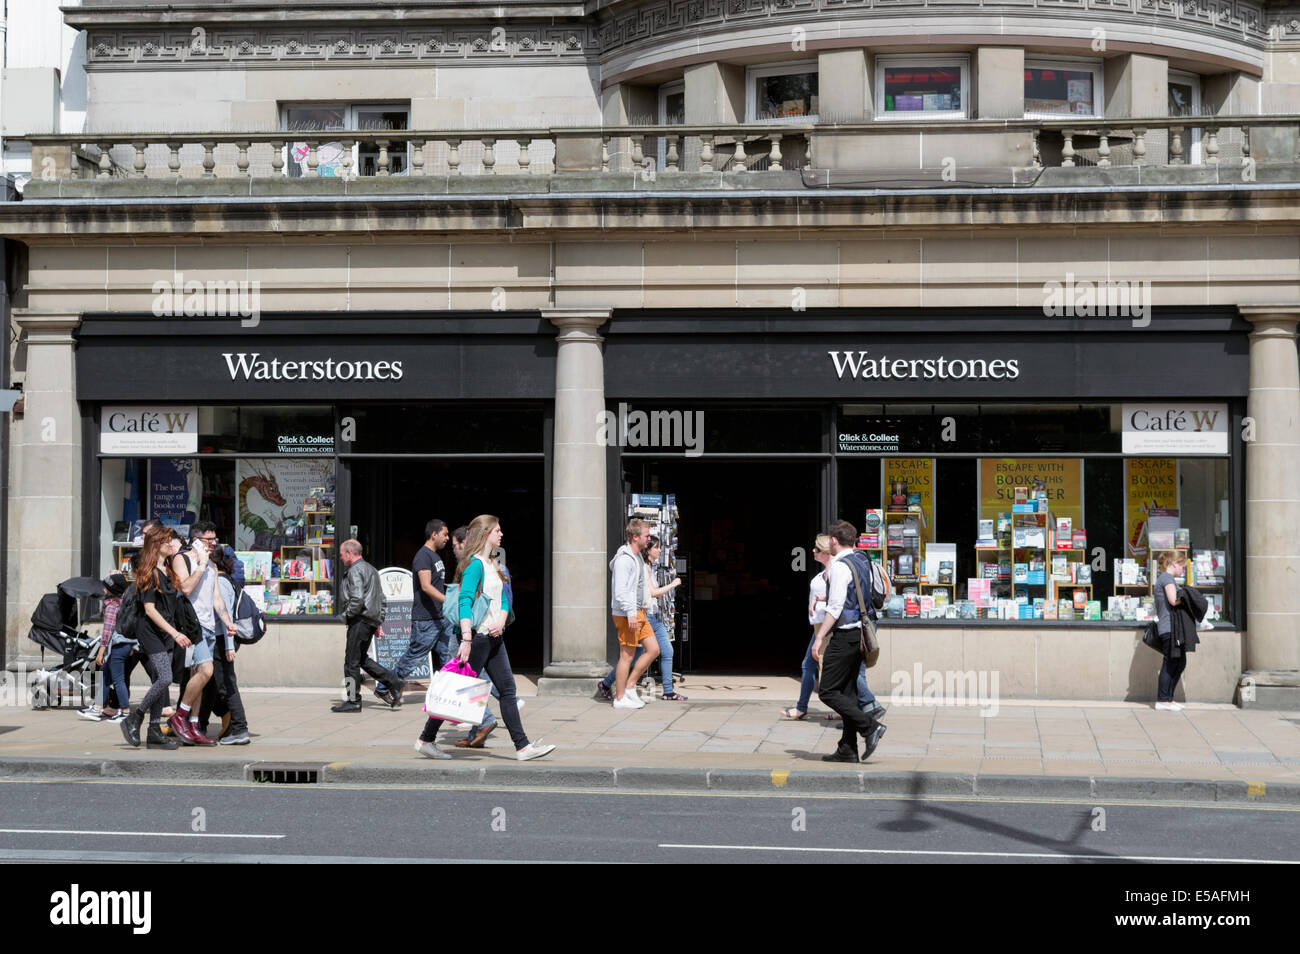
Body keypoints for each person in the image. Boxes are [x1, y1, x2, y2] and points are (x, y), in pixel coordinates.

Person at [414, 515, 554, 761]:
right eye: (497, 530)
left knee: (508, 691)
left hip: (493, 637)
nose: (501, 535)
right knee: (456, 691)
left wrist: (501, 619)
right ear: (485, 534)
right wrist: (466, 639)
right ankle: (426, 739)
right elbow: (465, 602)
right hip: (477, 638)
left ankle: (522, 747)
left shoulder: (493, 564)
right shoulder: (475, 565)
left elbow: (502, 598)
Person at [811, 519, 887, 763]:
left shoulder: (840, 567)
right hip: (861, 634)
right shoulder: (863, 560)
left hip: (845, 635)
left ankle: (869, 726)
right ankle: (848, 748)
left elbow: (835, 607)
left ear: (834, 541)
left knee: (828, 691)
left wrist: (819, 637)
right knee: (849, 691)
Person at [120, 526, 188, 750]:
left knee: (161, 679)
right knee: (165, 678)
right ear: (156, 546)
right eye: (167, 541)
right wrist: (175, 633)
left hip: (165, 633)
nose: (171, 544)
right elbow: (149, 609)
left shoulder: (168, 572)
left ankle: (154, 731)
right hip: (150, 633)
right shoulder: (149, 574)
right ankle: (135, 717)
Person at [167, 522, 236, 745]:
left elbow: (216, 598)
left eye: (215, 539)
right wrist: (201, 564)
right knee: (207, 671)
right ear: (196, 540)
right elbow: (185, 588)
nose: (214, 544)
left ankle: (194, 725)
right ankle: (180, 716)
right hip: (191, 625)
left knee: (199, 677)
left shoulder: (212, 566)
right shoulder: (182, 559)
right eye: (209, 540)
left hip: (207, 627)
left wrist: (227, 622)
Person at [598, 535, 684, 702]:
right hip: (644, 616)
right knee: (633, 655)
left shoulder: (650, 567)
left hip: (654, 616)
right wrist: (673, 585)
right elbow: (650, 592)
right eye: (656, 547)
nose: (660, 550)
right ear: (648, 550)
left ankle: (667, 691)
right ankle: (617, 686)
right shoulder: (640, 566)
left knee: (659, 652)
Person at [375, 519, 451, 705]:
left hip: (440, 616)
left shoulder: (435, 557)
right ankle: (384, 686)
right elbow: (425, 586)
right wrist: (449, 601)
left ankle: (448, 694)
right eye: (445, 534)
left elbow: (436, 584)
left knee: (448, 656)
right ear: (434, 534)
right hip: (426, 618)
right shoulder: (423, 556)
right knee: (415, 656)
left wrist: (454, 590)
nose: (447, 538)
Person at [333, 539, 403, 712]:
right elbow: (382, 599)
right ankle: (393, 682)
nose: (341, 559)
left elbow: (357, 599)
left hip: (359, 620)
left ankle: (353, 700)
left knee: (351, 662)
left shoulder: (355, 571)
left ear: (349, 553)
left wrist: (346, 616)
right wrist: (378, 621)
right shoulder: (371, 569)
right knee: (361, 659)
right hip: (369, 621)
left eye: (342, 555)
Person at [199, 546, 251, 744]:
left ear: (213, 562)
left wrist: (229, 646)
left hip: (223, 639)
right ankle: (200, 724)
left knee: (227, 685)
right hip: (221, 639)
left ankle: (240, 729)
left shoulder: (220, 582)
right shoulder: (223, 580)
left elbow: (225, 615)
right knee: (211, 685)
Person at [607, 519, 661, 710]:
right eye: (646, 535)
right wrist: (631, 613)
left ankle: (630, 686)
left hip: (638, 611)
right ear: (635, 537)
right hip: (627, 614)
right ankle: (620, 697)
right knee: (627, 656)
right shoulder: (624, 559)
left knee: (654, 649)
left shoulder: (637, 557)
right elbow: (620, 591)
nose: (649, 539)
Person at [780, 535, 833, 720]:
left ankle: (860, 706)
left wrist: (819, 601)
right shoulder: (826, 572)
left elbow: (838, 602)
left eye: (817, 549)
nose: (813, 551)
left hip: (828, 627)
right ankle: (802, 707)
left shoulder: (835, 572)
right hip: (820, 626)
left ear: (826, 553)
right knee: (810, 665)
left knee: (826, 667)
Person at [1153, 552, 1202, 711]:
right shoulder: (1167, 578)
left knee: (1179, 662)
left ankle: (1168, 698)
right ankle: (1162, 700)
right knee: (1171, 662)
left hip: (1172, 628)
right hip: (1169, 628)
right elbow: (1174, 600)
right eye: (1181, 566)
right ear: (1173, 563)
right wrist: (1190, 596)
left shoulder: (1166, 578)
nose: (1183, 570)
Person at [81, 574, 129, 723]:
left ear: (112, 591)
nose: (103, 589)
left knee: (118, 680)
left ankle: (125, 711)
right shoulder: (123, 603)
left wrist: (100, 652)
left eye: (106, 587)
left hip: (117, 646)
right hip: (124, 645)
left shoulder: (112, 607)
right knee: (106, 677)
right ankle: (97, 708)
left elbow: (107, 632)